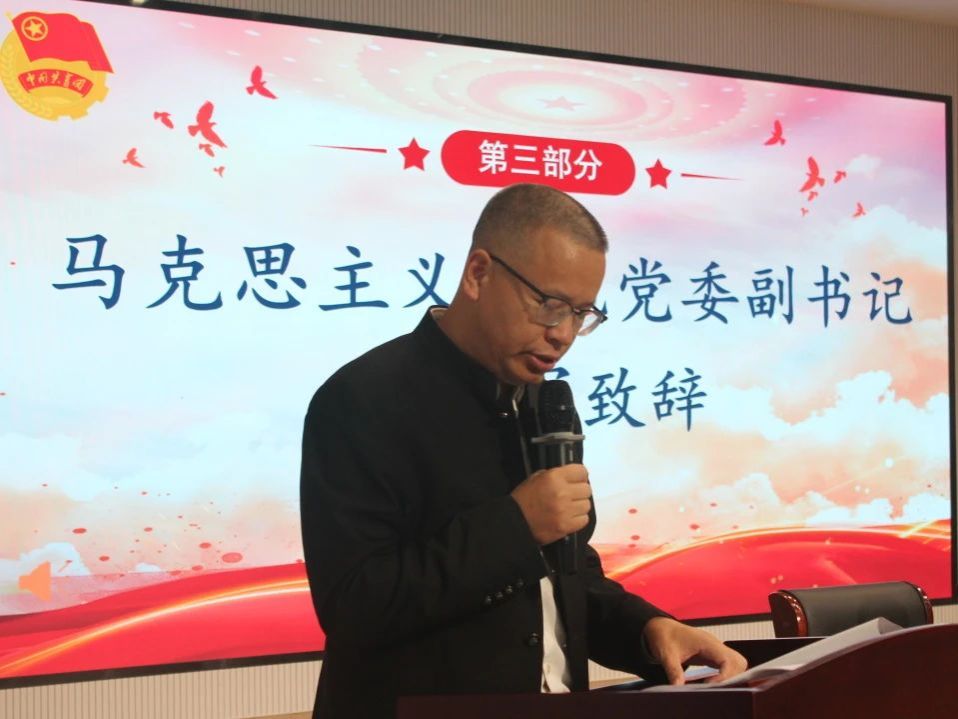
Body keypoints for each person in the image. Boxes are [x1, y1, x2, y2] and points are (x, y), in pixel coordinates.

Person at [300, 183, 746, 718]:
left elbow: (564, 577)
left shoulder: (544, 404)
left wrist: (648, 630)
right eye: (550, 305)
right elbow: (355, 606)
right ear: (478, 273)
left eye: (581, 313)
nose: (563, 334)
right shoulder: (363, 399)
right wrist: (517, 526)